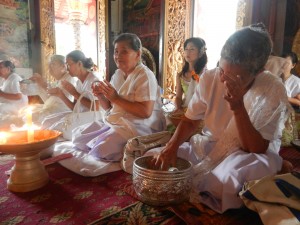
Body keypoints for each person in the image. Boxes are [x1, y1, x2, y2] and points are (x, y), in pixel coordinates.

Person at [149, 23, 291, 213]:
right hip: (211, 146)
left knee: (223, 184)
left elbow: (256, 147)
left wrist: (238, 107)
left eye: (236, 77)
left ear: (258, 72)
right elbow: (190, 121)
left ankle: (277, 167)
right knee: (153, 160)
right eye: (223, 71)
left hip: (250, 155)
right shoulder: (210, 77)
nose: (224, 80)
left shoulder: (273, 88)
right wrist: (171, 148)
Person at [73, 33, 166, 161]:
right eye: (116, 52)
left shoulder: (145, 75)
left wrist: (116, 98)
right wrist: (100, 95)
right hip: (118, 120)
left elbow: (145, 112)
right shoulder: (118, 74)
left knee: (101, 149)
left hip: (140, 125)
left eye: (124, 52)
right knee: (78, 136)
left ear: (137, 54)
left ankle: (138, 149)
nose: (118, 56)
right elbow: (109, 107)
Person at [29, 55, 77, 123]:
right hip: (53, 111)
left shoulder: (69, 79)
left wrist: (44, 85)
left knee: (31, 118)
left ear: (63, 66)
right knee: (28, 111)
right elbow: (49, 100)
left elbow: (58, 100)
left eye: (53, 64)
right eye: (49, 65)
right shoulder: (58, 80)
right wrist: (40, 85)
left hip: (62, 113)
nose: (49, 68)